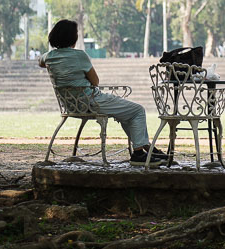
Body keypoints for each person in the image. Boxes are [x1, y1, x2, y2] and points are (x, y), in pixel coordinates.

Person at [40, 19, 166, 167]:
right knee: (138, 110)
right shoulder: (80, 56)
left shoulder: (48, 57)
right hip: (92, 102)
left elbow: (41, 62)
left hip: (72, 105)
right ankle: (139, 154)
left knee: (126, 113)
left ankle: (147, 148)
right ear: (72, 38)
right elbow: (95, 82)